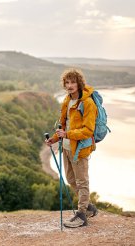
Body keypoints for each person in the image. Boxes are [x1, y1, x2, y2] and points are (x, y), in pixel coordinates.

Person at [45, 68, 98, 228]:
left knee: (82, 182)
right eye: (67, 82)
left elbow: (88, 131)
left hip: (80, 149)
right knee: (71, 180)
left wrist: (66, 134)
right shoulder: (67, 101)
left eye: (73, 82)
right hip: (66, 148)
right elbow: (63, 126)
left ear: (79, 83)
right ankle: (89, 207)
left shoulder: (88, 103)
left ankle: (82, 215)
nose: (70, 85)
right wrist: (54, 139)